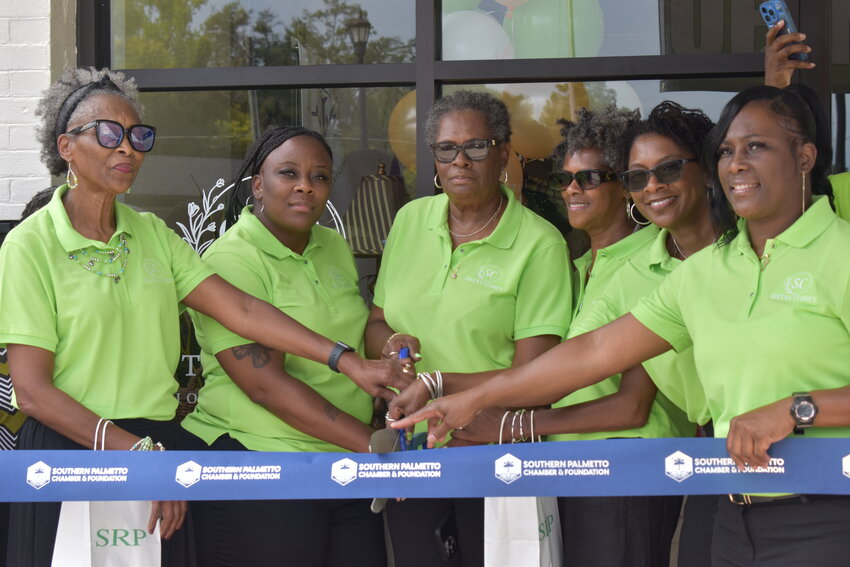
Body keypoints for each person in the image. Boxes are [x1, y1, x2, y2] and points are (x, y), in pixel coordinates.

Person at [395, 84, 850, 566]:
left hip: (831, 511)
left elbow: (632, 404)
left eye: (756, 146)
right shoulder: (704, 271)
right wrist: (470, 398)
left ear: (804, 157)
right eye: (727, 151)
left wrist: (796, 410)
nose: (736, 163)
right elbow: (593, 354)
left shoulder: (840, 254)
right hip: (734, 512)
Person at [0, 67, 407, 566]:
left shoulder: (152, 233)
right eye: (109, 134)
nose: (128, 148)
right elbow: (33, 392)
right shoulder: (29, 245)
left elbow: (240, 309)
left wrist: (346, 360)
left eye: (138, 136)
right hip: (75, 449)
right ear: (67, 146)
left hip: (155, 441)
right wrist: (135, 452)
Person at [369, 89, 572, 567]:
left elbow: (537, 378)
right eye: (446, 148)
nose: (460, 160)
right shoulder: (408, 221)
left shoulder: (539, 244)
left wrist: (436, 387)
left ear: (503, 152)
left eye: (476, 146)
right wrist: (391, 346)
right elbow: (376, 323)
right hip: (410, 448)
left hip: (490, 454)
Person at [181, 126, 386, 567]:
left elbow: (355, 328)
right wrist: (373, 445)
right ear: (258, 184)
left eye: (320, 177)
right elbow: (265, 387)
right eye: (288, 173)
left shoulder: (331, 245)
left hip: (345, 461)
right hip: (263, 466)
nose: (305, 187)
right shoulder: (231, 260)